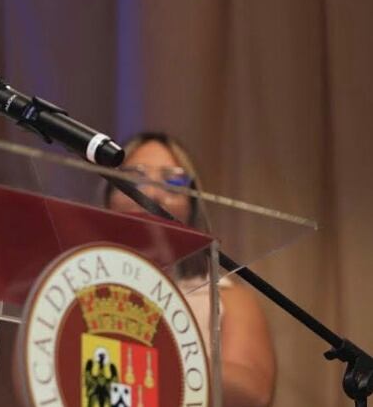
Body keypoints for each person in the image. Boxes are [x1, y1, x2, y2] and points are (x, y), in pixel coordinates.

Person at [104, 131, 276, 407]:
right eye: (135, 177)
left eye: (173, 182)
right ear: (109, 198)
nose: (152, 192)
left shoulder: (225, 297)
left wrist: (144, 354)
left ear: (191, 206)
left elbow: (252, 394)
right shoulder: (73, 284)